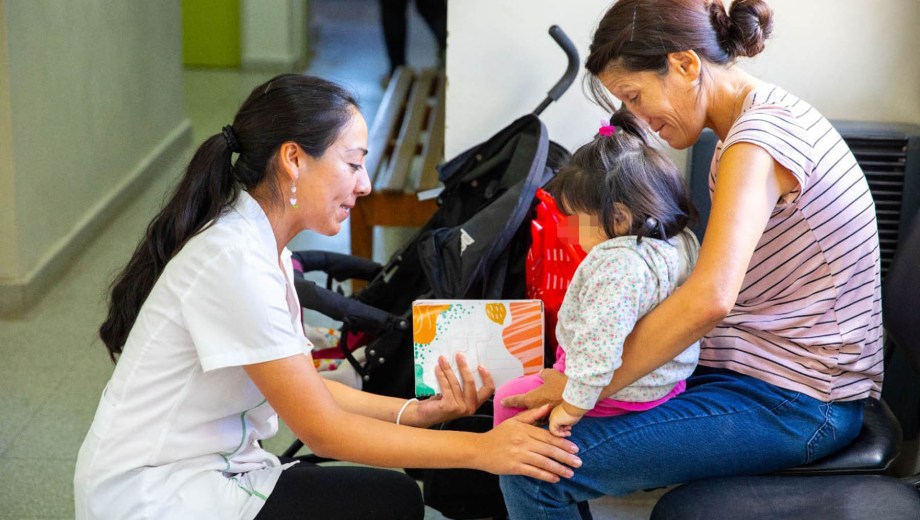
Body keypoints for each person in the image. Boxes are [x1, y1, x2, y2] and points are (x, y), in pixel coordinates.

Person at [73, 73, 582, 520]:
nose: (362, 185)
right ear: (293, 158)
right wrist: (482, 450)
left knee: (396, 498)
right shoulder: (234, 262)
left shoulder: (257, 243)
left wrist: (414, 411)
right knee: (392, 502)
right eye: (353, 164)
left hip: (210, 468)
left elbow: (305, 386)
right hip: (156, 494)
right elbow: (322, 430)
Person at [498, 0, 884, 517]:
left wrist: (579, 388)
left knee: (531, 468)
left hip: (803, 402)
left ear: (684, 65)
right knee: (542, 424)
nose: (637, 120)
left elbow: (710, 299)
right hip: (761, 374)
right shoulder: (753, 124)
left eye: (634, 96)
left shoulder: (757, 144)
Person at [492, 109, 700, 437]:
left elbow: (599, 344)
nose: (570, 231)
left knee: (508, 397)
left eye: (575, 219)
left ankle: (509, 459)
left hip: (624, 391)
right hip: (665, 381)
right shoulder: (677, 242)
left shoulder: (618, 268)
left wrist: (574, 404)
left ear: (618, 218)